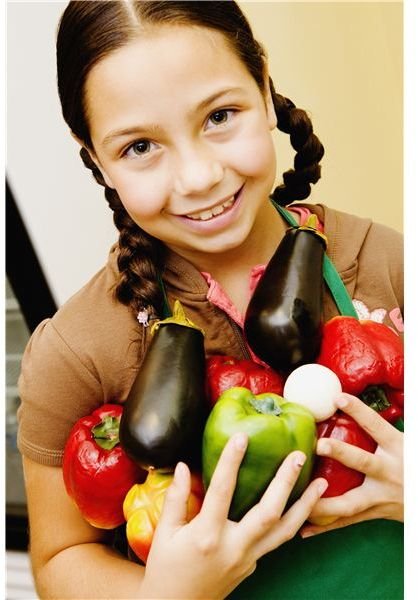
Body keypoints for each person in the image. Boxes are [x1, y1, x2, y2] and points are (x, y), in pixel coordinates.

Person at [17, 1, 403, 598]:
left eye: (220, 115)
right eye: (140, 147)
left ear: (264, 86)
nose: (198, 177)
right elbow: (61, 560)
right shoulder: (77, 352)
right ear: (94, 156)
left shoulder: (390, 265)